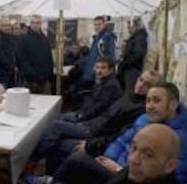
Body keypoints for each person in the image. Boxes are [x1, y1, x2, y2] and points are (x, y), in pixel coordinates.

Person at [25, 82, 187, 184]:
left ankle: (47, 179)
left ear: (173, 105)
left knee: (76, 157)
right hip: (110, 160)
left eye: (156, 101)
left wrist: (117, 167)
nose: (150, 106)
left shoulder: (178, 139)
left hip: (117, 169)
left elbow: (175, 179)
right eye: (148, 101)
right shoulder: (144, 118)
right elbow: (120, 138)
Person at [29, 70, 161, 172]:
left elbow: (117, 137)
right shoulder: (130, 95)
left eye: (147, 84)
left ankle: (33, 163)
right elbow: (105, 114)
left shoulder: (140, 110)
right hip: (92, 126)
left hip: (95, 137)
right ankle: (45, 170)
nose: (141, 85)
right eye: (141, 80)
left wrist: (89, 145)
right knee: (57, 127)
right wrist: (87, 122)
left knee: (57, 130)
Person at [59, 124, 182, 184]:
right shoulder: (135, 174)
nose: (133, 159)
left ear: (169, 166)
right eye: (134, 148)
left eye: (148, 155)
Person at [59, 57, 122, 123]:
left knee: (58, 122)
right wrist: (81, 112)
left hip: (92, 121)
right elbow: (91, 100)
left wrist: (83, 115)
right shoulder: (102, 81)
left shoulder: (111, 86)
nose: (99, 71)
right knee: (59, 119)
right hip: (86, 114)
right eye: (97, 67)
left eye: (103, 68)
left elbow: (99, 107)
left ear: (111, 70)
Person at [18, 14, 54, 94]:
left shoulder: (45, 39)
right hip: (31, 81)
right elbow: (22, 60)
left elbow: (49, 58)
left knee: (46, 103)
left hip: (45, 80)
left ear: (40, 24)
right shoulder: (24, 39)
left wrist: (49, 74)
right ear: (30, 24)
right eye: (33, 22)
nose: (35, 24)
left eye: (37, 22)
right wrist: (32, 75)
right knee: (32, 104)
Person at [117, 17, 148, 93]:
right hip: (131, 68)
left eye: (130, 27)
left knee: (130, 91)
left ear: (136, 26)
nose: (128, 30)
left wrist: (126, 64)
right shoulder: (137, 37)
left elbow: (138, 54)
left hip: (133, 69)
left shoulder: (139, 39)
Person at [82, 16, 116, 83]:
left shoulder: (107, 37)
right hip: (94, 71)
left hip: (100, 72)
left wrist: (100, 69)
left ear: (104, 24)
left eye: (99, 24)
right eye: (95, 24)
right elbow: (93, 55)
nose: (97, 26)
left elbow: (109, 56)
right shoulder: (97, 37)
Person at [0, 17, 20, 88]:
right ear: (0, 26)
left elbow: (18, 53)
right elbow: (0, 57)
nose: (7, 27)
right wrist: (13, 66)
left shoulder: (15, 38)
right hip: (0, 76)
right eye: (5, 25)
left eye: (9, 25)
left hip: (13, 76)